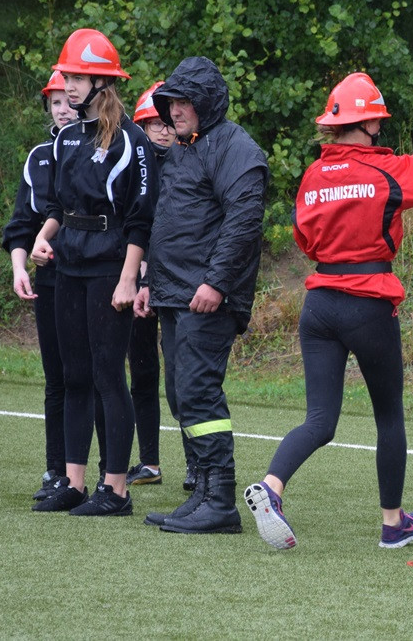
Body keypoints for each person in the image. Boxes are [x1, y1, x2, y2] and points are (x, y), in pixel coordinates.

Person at [242, 72, 413, 550]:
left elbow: (303, 238)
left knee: (319, 420)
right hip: (367, 304)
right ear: (372, 124)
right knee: (388, 416)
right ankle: (393, 522)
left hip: (318, 304)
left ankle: (271, 487)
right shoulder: (387, 171)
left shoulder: (313, 175)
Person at [134, 56, 268, 534]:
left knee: (197, 393)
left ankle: (221, 501)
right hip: (175, 294)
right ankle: (205, 494)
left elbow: (244, 223)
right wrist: (150, 285)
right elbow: (168, 223)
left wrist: (216, 283)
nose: (176, 110)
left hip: (206, 296)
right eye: (172, 101)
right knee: (181, 396)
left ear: (208, 102)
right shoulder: (187, 148)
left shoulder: (235, 147)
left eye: (186, 101)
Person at [29, 28, 156, 516]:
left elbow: (141, 217)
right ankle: (75, 483)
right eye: (69, 74)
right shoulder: (65, 138)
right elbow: (60, 204)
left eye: (80, 76)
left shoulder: (132, 139)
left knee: (108, 374)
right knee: (75, 373)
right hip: (69, 265)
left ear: (104, 80)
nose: (71, 84)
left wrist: (130, 278)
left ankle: (117, 490)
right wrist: (45, 235)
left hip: (110, 265)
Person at [1, 71, 78, 500]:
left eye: (68, 100)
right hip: (49, 283)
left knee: (95, 378)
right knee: (57, 381)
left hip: (93, 279)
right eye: (55, 103)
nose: (63, 109)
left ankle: (106, 475)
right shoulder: (39, 158)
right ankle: (56, 471)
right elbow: (21, 227)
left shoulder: (102, 147)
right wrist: (20, 267)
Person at [122, 80, 179, 488]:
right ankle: (150, 463)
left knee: (184, 379)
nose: (161, 130)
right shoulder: (129, 168)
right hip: (138, 286)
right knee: (142, 372)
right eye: (151, 122)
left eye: (166, 123)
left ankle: (199, 467)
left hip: (178, 285)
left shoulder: (192, 166)